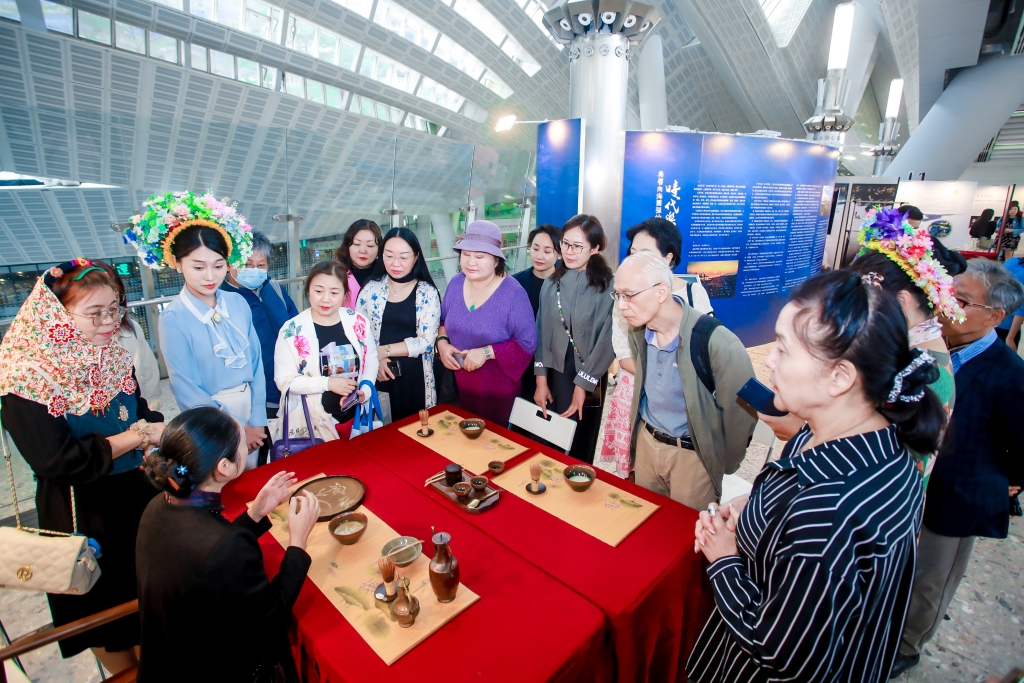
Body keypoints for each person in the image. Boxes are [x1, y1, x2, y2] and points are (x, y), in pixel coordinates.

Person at [688, 268, 946, 682]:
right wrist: (755, 507)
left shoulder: (831, 510)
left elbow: (780, 650)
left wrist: (723, 557)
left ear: (840, 377)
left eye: (784, 349)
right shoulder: (858, 436)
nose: (769, 358)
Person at [0, 259, 165, 675]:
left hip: (135, 498)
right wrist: (140, 436)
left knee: (150, 612)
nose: (110, 322)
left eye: (115, 309)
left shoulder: (109, 356)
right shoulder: (26, 379)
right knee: (105, 617)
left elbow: (139, 410)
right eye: (95, 313)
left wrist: (150, 436)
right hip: (85, 514)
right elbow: (60, 460)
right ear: (54, 315)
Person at [891, 258, 1024, 677]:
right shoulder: (926, 349)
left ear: (995, 316)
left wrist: (1012, 481)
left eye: (961, 299)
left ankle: (908, 647)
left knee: (930, 580)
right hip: (909, 486)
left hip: (955, 495)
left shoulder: (1010, 374)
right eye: (947, 292)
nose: (946, 303)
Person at [136, 407, 318, 682]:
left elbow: (206, 559)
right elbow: (270, 618)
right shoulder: (226, 545)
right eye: (243, 442)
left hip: (166, 661)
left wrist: (255, 514)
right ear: (224, 467)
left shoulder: (158, 506)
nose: (247, 444)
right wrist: (298, 542)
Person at [125, 192, 267, 465]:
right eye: (198, 266)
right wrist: (233, 431)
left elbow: (257, 364)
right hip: (210, 420)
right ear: (178, 264)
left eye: (218, 265)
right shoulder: (173, 318)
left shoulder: (237, 302)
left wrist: (256, 420)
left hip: (251, 410)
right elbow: (186, 387)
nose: (210, 276)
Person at [613, 253, 754, 508]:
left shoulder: (718, 343)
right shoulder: (638, 332)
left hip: (692, 456)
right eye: (617, 295)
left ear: (661, 291)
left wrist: (720, 462)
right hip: (648, 446)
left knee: (686, 536)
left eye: (629, 295)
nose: (621, 305)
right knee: (645, 525)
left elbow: (740, 414)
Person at [847, 206, 966, 490]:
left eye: (863, 300)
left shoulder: (924, 372)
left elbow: (881, 465)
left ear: (900, 302)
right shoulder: (912, 352)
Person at [600, 218, 714, 478]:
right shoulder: (624, 296)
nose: (635, 261)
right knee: (637, 479)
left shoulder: (695, 294)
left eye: (646, 254)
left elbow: (707, 356)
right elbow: (623, 352)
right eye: (632, 253)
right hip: (637, 400)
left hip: (686, 412)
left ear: (668, 258)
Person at [436, 220, 536, 425]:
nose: (471, 262)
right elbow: (443, 320)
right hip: (456, 388)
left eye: (480, 256)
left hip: (496, 394)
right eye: (466, 255)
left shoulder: (513, 294)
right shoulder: (455, 283)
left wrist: (486, 353)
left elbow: (527, 344)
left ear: (497, 260)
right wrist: (442, 343)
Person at [534, 214, 615, 463]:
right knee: (551, 441)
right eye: (565, 244)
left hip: (589, 374)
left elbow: (608, 338)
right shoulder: (551, 283)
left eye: (577, 246)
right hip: (557, 373)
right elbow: (542, 332)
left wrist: (583, 384)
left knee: (580, 442)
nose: (568, 252)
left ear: (595, 248)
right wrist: (540, 380)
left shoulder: (608, 287)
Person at [274, 260, 377, 440]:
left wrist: (365, 390)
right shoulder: (292, 331)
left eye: (334, 292)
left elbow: (371, 361)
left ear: (345, 293)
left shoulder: (357, 322)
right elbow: (284, 381)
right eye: (319, 291)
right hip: (312, 424)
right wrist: (327, 384)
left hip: (355, 419)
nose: (326, 299)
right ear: (308, 291)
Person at [221, 231, 299, 465]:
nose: (254, 270)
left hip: (288, 387)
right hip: (256, 397)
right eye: (247, 264)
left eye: (260, 265)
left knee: (287, 452)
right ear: (229, 264)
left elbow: (296, 327)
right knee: (255, 460)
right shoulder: (224, 299)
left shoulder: (273, 288)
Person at [357, 228, 441, 421]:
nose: (395, 264)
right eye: (389, 256)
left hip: (414, 379)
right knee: (380, 436)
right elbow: (358, 334)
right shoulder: (370, 289)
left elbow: (427, 342)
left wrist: (383, 351)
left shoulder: (426, 292)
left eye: (403, 257)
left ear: (416, 257)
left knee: (414, 434)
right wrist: (376, 360)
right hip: (378, 375)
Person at [96, 262, 163, 411]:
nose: (108, 320)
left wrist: (150, 415)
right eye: (96, 309)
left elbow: (149, 376)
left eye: (114, 307)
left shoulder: (131, 329)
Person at [512, 224, 561, 401]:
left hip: (556, 364)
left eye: (548, 251)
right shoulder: (515, 283)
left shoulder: (567, 285)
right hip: (522, 362)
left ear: (559, 254)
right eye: (535, 248)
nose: (539, 256)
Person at [334, 219, 383, 309]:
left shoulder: (385, 275)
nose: (363, 250)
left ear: (379, 249)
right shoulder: (336, 273)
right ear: (348, 245)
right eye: (357, 244)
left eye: (370, 246)